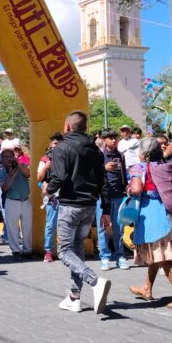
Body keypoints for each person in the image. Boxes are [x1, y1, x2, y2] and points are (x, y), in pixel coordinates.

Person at [45, 110, 111, 314]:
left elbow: (59, 177)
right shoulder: (96, 150)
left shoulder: (61, 148)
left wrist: (47, 188)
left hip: (70, 206)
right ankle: (74, 297)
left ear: (66, 127)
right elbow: (104, 181)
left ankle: (94, 281)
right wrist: (106, 210)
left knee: (64, 251)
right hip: (90, 206)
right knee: (77, 248)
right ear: (85, 128)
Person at [126, 138, 172, 309]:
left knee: (163, 256)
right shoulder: (163, 165)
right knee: (157, 253)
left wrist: (130, 188)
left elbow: (137, 189)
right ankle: (147, 288)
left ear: (143, 153)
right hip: (168, 211)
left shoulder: (140, 167)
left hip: (152, 214)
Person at [98, 130, 128, 271]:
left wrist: (126, 186)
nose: (114, 140)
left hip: (119, 195)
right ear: (104, 140)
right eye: (110, 138)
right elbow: (93, 174)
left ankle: (120, 255)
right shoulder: (99, 155)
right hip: (103, 197)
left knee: (119, 227)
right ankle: (104, 256)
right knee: (103, 227)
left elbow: (124, 174)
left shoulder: (120, 155)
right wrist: (104, 168)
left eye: (115, 138)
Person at [0, 147, 33, 259]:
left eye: (10, 156)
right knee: (12, 228)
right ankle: (16, 251)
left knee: (27, 227)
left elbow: (28, 174)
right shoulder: (2, 172)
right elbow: (5, 188)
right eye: (5, 157)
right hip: (12, 201)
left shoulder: (21, 165)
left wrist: (18, 164)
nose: (8, 159)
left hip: (26, 200)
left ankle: (27, 250)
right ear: (2, 160)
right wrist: (12, 173)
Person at [38, 132, 64, 262]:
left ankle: (64, 251)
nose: (57, 145)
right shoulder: (45, 159)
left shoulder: (67, 158)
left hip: (66, 196)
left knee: (65, 225)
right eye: (55, 143)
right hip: (52, 197)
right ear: (50, 144)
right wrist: (45, 168)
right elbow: (38, 178)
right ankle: (48, 251)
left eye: (59, 143)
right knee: (51, 224)